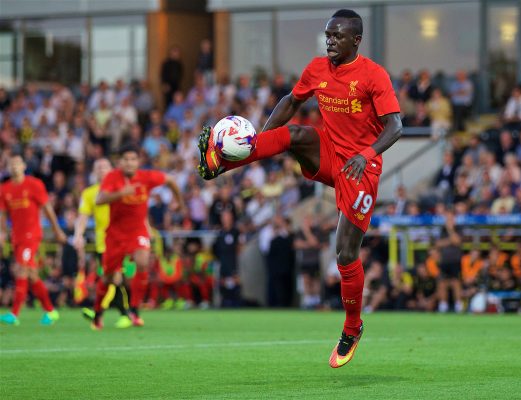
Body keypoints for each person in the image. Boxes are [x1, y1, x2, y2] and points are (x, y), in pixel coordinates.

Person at [196, 9, 402, 368]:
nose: (330, 41)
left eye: (337, 36)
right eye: (327, 35)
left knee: (344, 255)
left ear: (356, 40)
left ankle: (352, 327)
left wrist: (367, 153)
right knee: (295, 135)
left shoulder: (373, 75)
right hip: (329, 152)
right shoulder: (317, 68)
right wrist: (253, 141)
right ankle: (224, 162)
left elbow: (395, 126)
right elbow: (291, 102)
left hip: (361, 169)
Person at [92, 144, 184, 330]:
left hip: (138, 231)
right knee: (109, 278)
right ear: (120, 163)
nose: (129, 163)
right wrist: (120, 194)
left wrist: (179, 202)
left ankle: (134, 309)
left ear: (138, 162)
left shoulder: (146, 177)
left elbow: (170, 180)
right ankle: (98, 313)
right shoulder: (112, 177)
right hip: (115, 235)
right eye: (126, 159)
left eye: (133, 159)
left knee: (143, 262)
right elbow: (99, 200)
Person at [0, 154, 67, 325]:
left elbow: (47, 209)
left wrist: (57, 231)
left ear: (23, 166)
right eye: (11, 164)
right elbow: (2, 213)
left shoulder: (34, 185)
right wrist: (3, 232)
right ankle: (51, 311)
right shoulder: (4, 189)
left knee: (21, 270)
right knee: (31, 275)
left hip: (32, 235)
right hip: (17, 237)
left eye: (17, 163)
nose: (14, 166)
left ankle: (14, 314)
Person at [74, 158, 132, 329]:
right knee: (110, 278)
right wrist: (78, 234)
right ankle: (115, 313)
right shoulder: (89, 193)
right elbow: (83, 217)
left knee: (114, 277)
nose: (101, 170)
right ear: (94, 171)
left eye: (105, 166)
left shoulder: (121, 188)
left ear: (112, 169)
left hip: (121, 240)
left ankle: (108, 312)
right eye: (98, 167)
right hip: (102, 243)